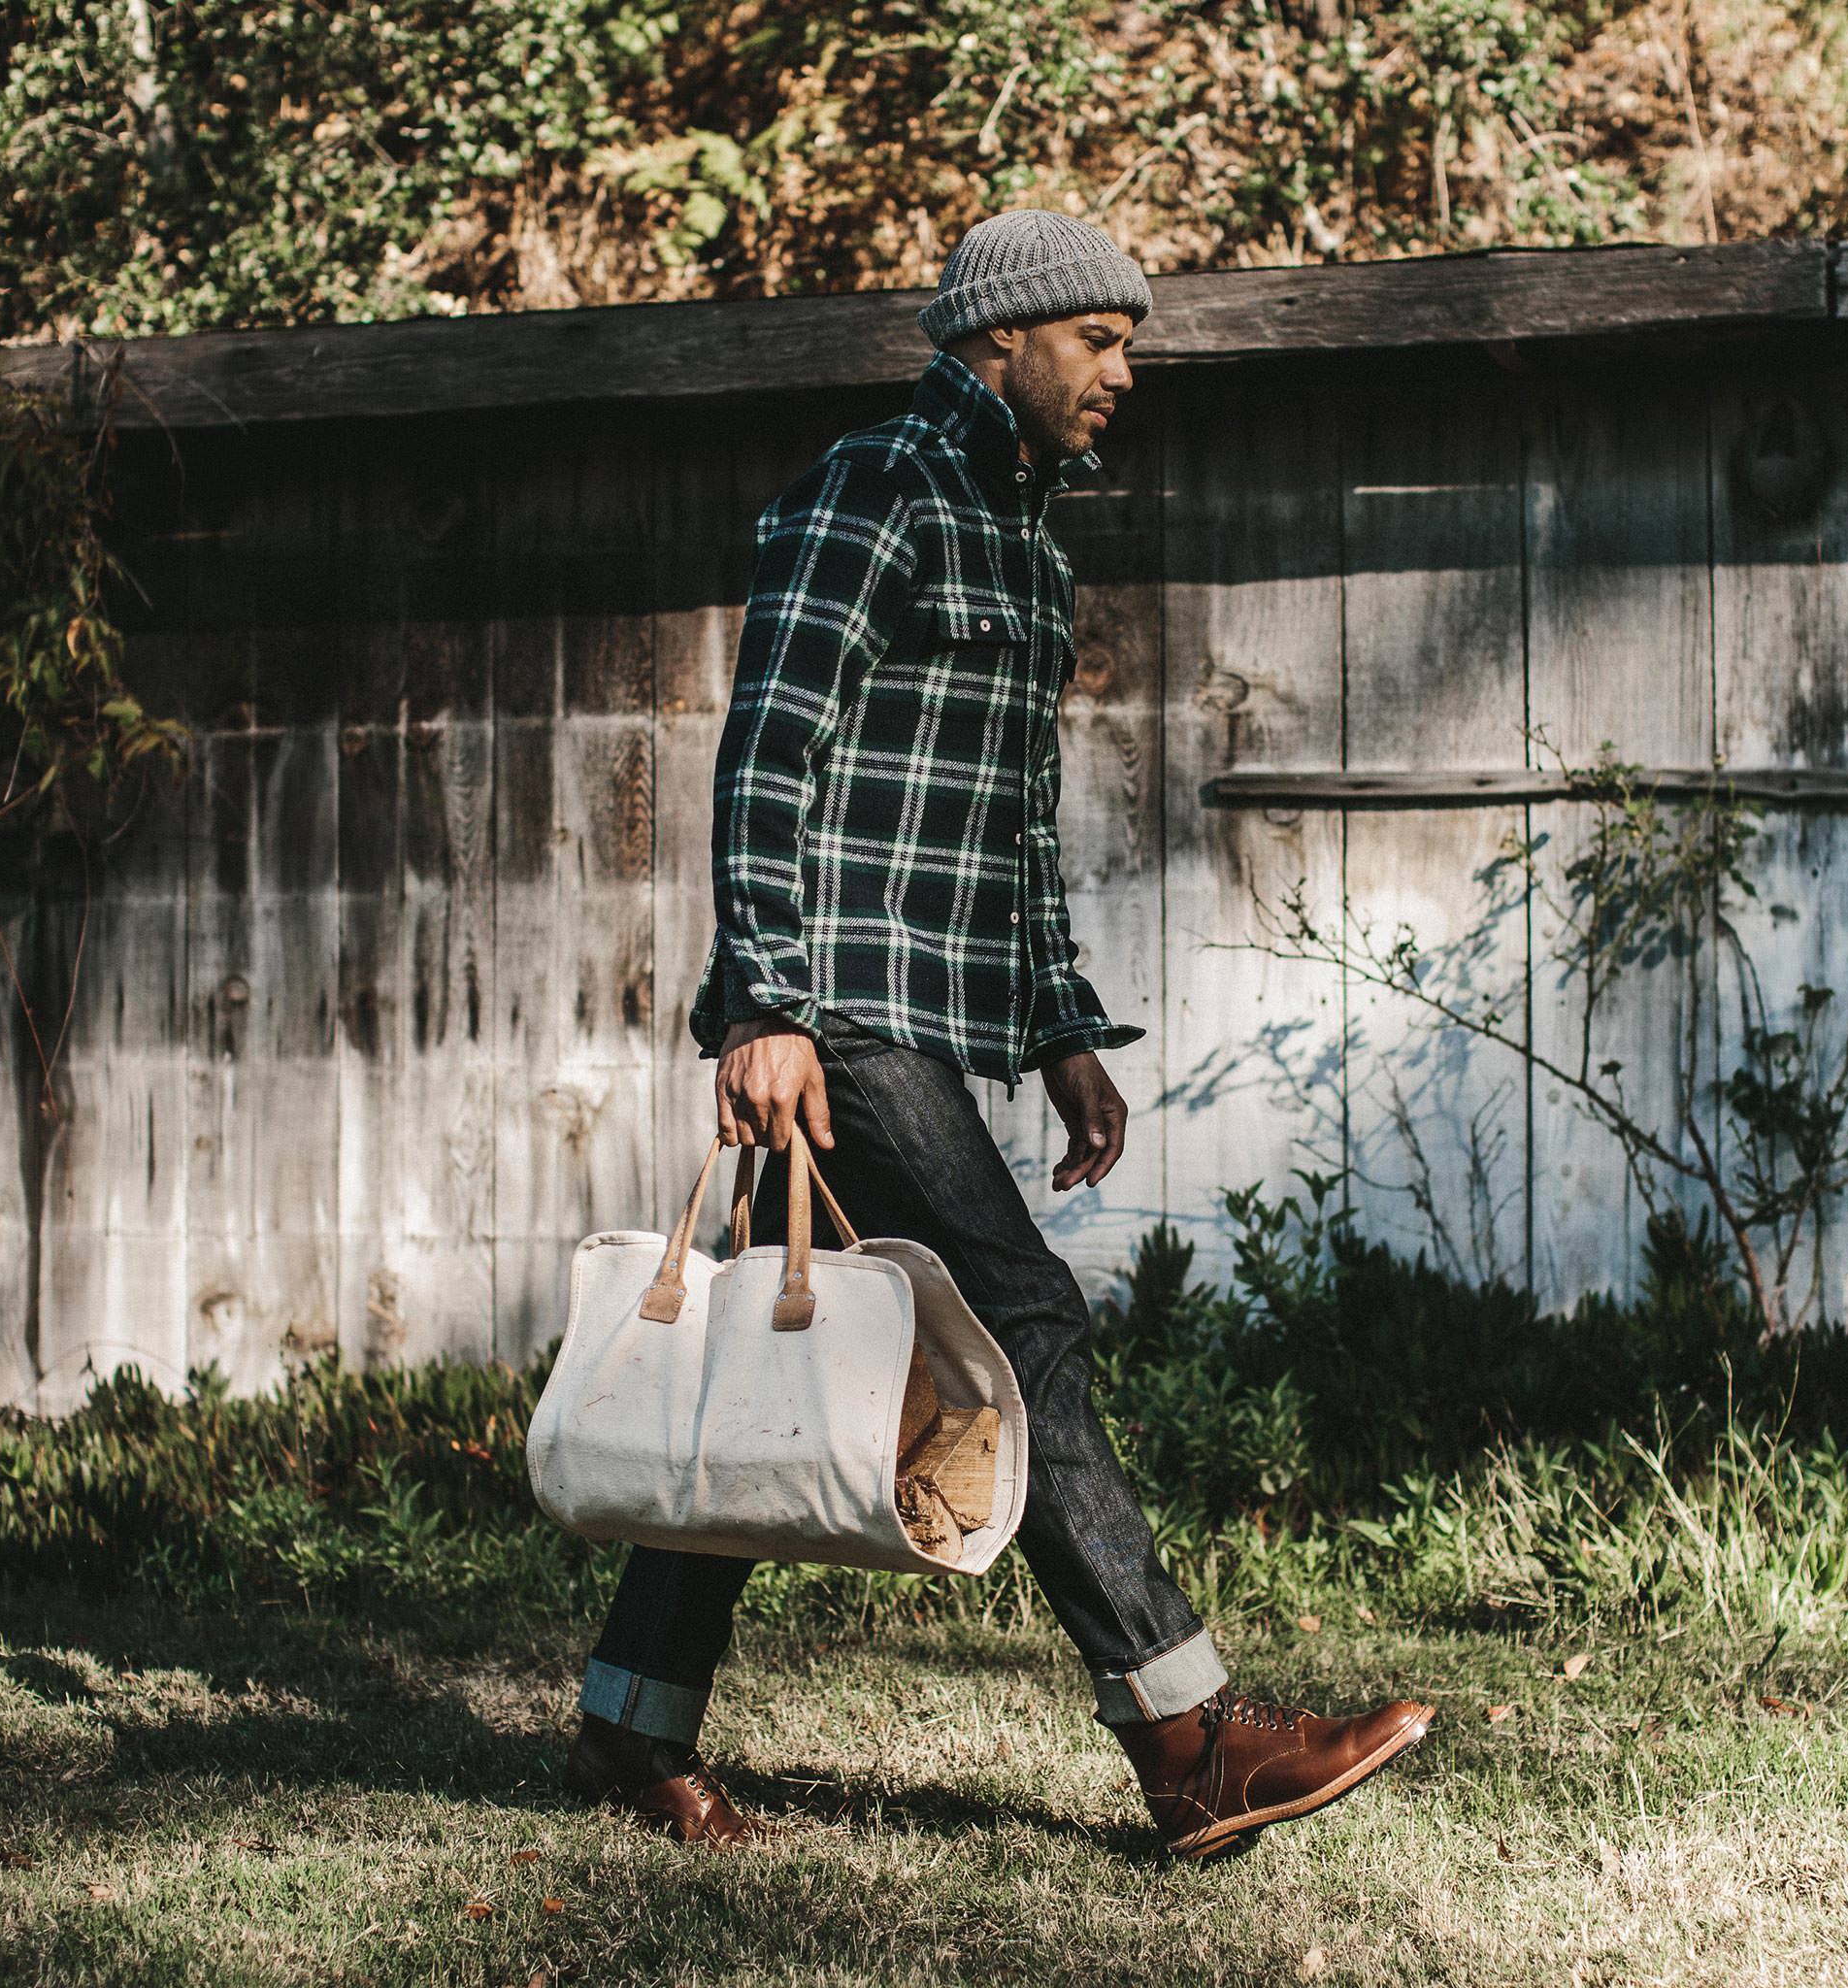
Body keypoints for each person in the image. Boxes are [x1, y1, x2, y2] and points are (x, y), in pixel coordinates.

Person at [562, 209, 1434, 1859]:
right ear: (1000, 340)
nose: (1123, 371)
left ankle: (633, 1711)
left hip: (926, 1016)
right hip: (841, 1010)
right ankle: (1189, 1736)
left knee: (779, 1366)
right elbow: (769, 755)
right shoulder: (874, 487)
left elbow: (1009, 826)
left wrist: (1058, 1034)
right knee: (1022, 1320)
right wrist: (762, 1005)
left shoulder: (1030, 542)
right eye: (1099, 339)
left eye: (1130, 344)